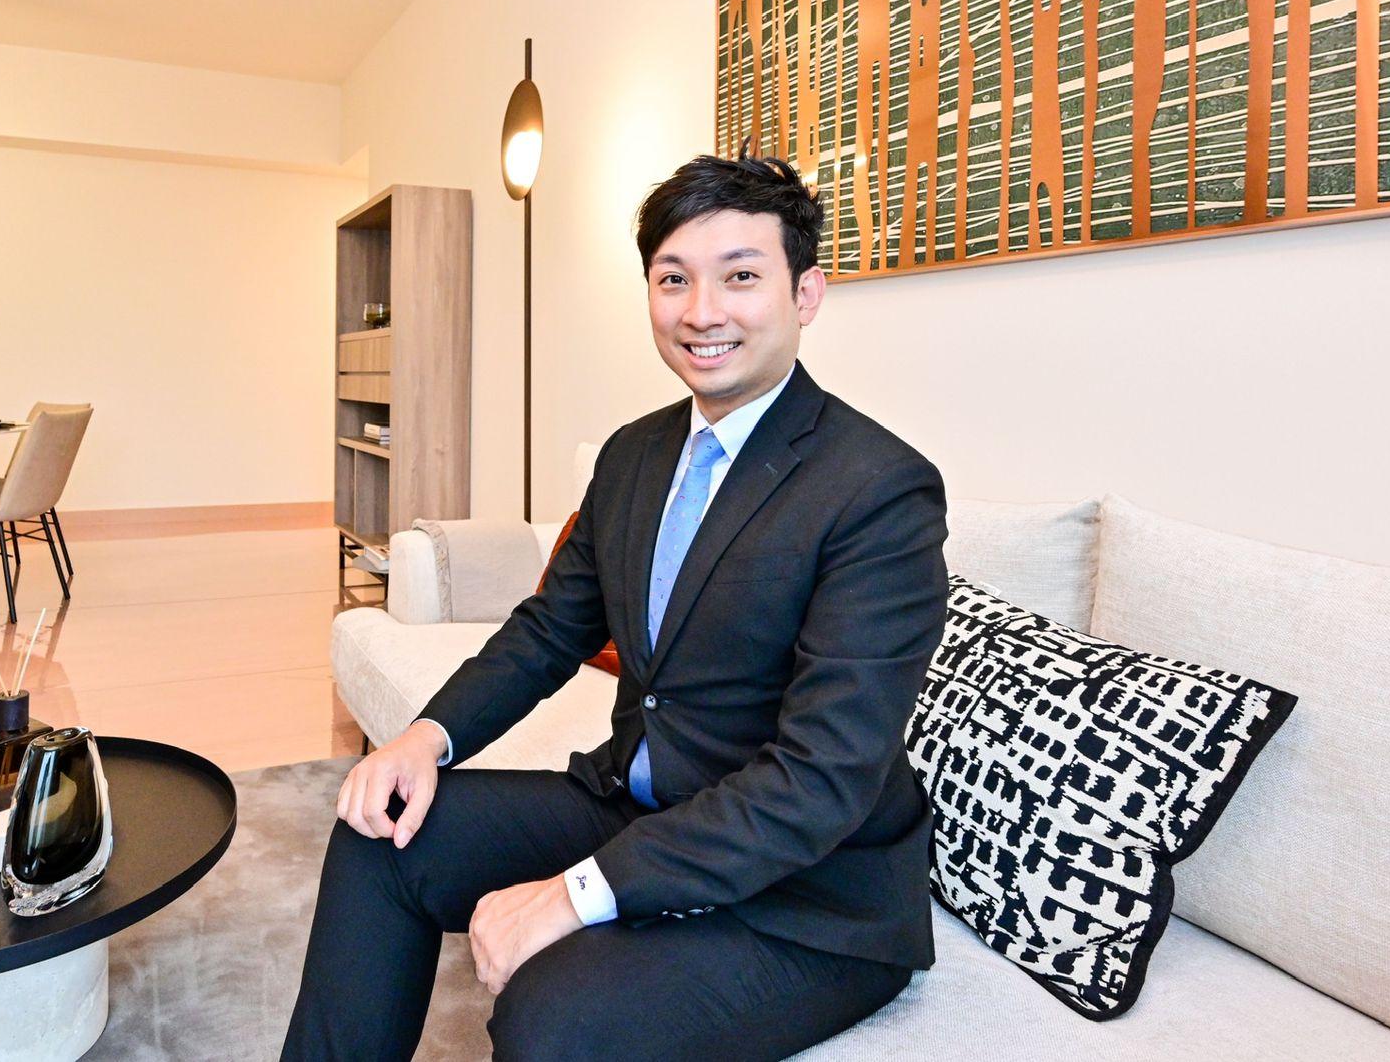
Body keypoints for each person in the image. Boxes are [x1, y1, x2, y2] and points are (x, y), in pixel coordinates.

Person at [283, 155, 949, 1061]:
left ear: (806, 294)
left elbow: (821, 780)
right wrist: (425, 739)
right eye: (673, 280)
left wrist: (573, 894)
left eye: (740, 277)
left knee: (553, 1017)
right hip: (633, 807)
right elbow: (548, 631)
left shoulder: (877, 489)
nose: (701, 312)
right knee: (379, 834)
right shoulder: (635, 455)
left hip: (803, 894)